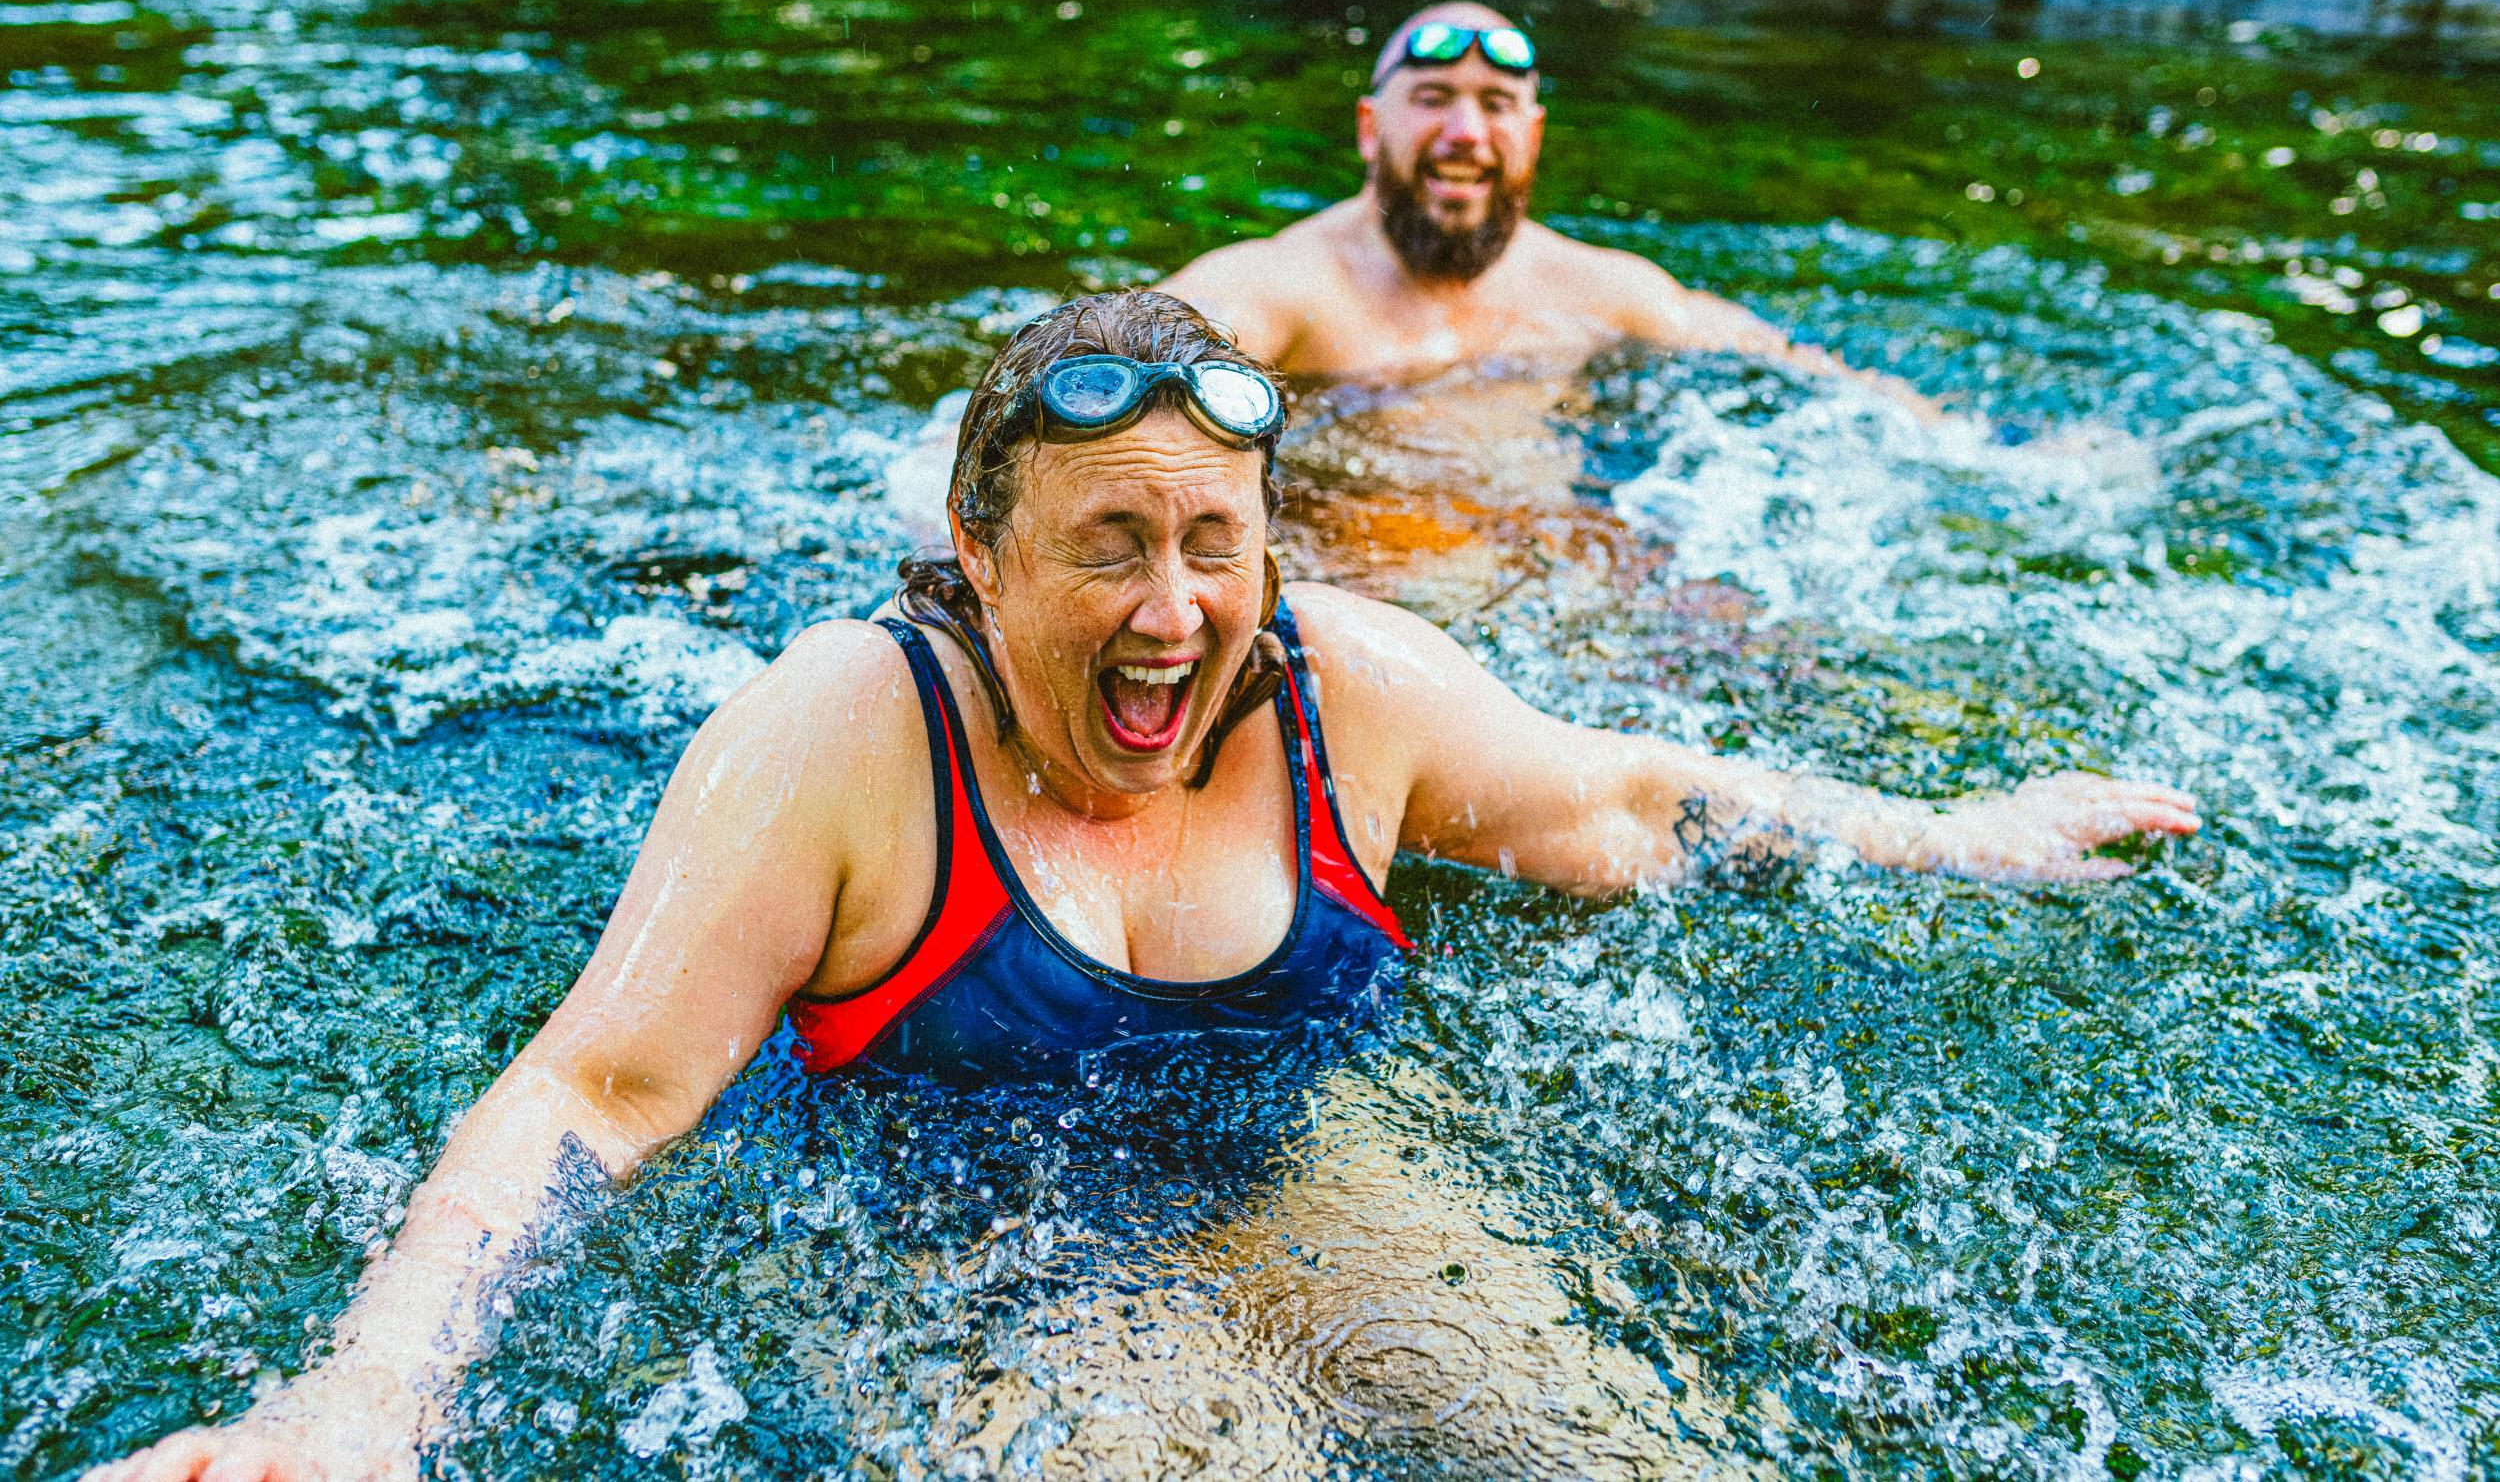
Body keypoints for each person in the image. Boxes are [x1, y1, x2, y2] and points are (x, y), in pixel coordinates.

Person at [89, 291, 2197, 1482]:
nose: (1177, 609)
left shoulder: (1346, 695)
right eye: (1109, 544)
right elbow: (589, 1099)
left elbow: (1630, 802)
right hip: (964, 1229)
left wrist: (1952, 835)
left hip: (1292, 1169)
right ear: (981, 553)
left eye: (1216, 540)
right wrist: (369, 1389)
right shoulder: (842, 735)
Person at [1162, 0, 1942, 414]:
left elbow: (1794, 366)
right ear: (1370, 129)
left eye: (1496, 105)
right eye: (1432, 99)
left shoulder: (1597, 290)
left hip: (1550, 588)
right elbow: (1139, 352)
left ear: (1532, 136)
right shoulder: (1290, 288)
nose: (1465, 134)